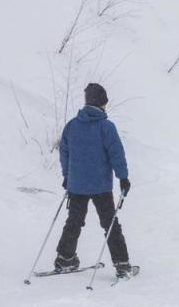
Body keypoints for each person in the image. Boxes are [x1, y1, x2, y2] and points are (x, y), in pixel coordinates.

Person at [55, 83, 135, 277]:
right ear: (103, 103)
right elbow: (117, 154)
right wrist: (123, 177)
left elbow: (64, 152)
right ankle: (122, 264)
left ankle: (65, 258)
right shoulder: (105, 127)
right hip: (100, 186)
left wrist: (67, 175)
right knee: (109, 223)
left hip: (77, 185)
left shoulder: (72, 125)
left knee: (74, 221)